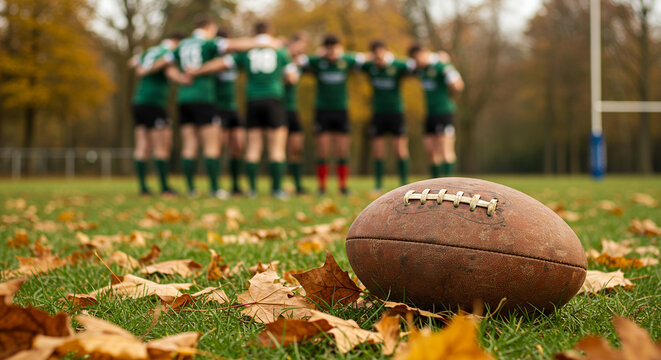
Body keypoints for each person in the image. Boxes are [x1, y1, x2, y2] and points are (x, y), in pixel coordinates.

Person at [194, 21, 295, 199]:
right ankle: (277, 189)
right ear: (271, 32)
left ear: (254, 33)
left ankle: (253, 190)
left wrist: (197, 71)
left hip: (253, 100)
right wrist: (278, 81)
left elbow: (221, 63)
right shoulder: (280, 51)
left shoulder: (247, 52)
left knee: (253, 147)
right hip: (274, 99)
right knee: (276, 147)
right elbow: (292, 77)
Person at [165, 17, 225, 198]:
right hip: (204, 98)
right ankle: (215, 189)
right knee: (211, 145)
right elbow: (227, 57)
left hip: (184, 99)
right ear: (209, 27)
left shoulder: (182, 45)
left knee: (189, 145)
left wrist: (182, 79)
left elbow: (167, 67)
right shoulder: (208, 43)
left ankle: (191, 189)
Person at [301, 35, 365, 195]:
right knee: (322, 150)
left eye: (334, 47)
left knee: (342, 150)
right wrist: (317, 54)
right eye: (328, 48)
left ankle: (343, 186)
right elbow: (300, 60)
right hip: (322, 110)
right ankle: (322, 187)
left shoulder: (346, 61)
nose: (331, 51)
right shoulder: (317, 62)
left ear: (339, 48)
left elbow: (365, 58)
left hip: (341, 110)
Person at [129, 32, 184, 196]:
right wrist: (185, 78)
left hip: (138, 101)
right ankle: (165, 187)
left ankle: (143, 188)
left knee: (141, 146)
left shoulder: (150, 51)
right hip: (154, 103)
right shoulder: (167, 54)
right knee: (162, 145)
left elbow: (132, 62)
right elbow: (169, 72)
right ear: (177, 42)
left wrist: (142, 68)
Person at [360, 40, 413, 191]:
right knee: (378, 151)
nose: (378, 58)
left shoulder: (397, 65)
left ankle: (404, 184)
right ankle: (378, 185)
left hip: (396, 112)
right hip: (377, 113)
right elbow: (353, 61)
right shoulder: (369, 67)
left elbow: (414, 64)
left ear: (386, 52)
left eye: (380, 54)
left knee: (400, 150)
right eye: (375, 55)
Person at [408, 44, 464, 177]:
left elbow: (458, 85)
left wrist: (450, 94)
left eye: (419, 58)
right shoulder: (420, 69)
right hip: (430, 114)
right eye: (415, 59)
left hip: (444, 113)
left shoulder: (441, 66)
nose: (418, 61)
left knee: (445, 150)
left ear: (425, 53)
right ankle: (436, 183)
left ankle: (450, 184)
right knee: (430, 150)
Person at [284, 34, 308, 194]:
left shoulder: (299, 63)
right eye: (298, 46)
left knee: (296, 147)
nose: (301, 50)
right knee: (278, 149)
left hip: (293, 109)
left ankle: (298, 184)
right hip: (279, 108)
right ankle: (279, 184)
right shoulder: (282, 61)